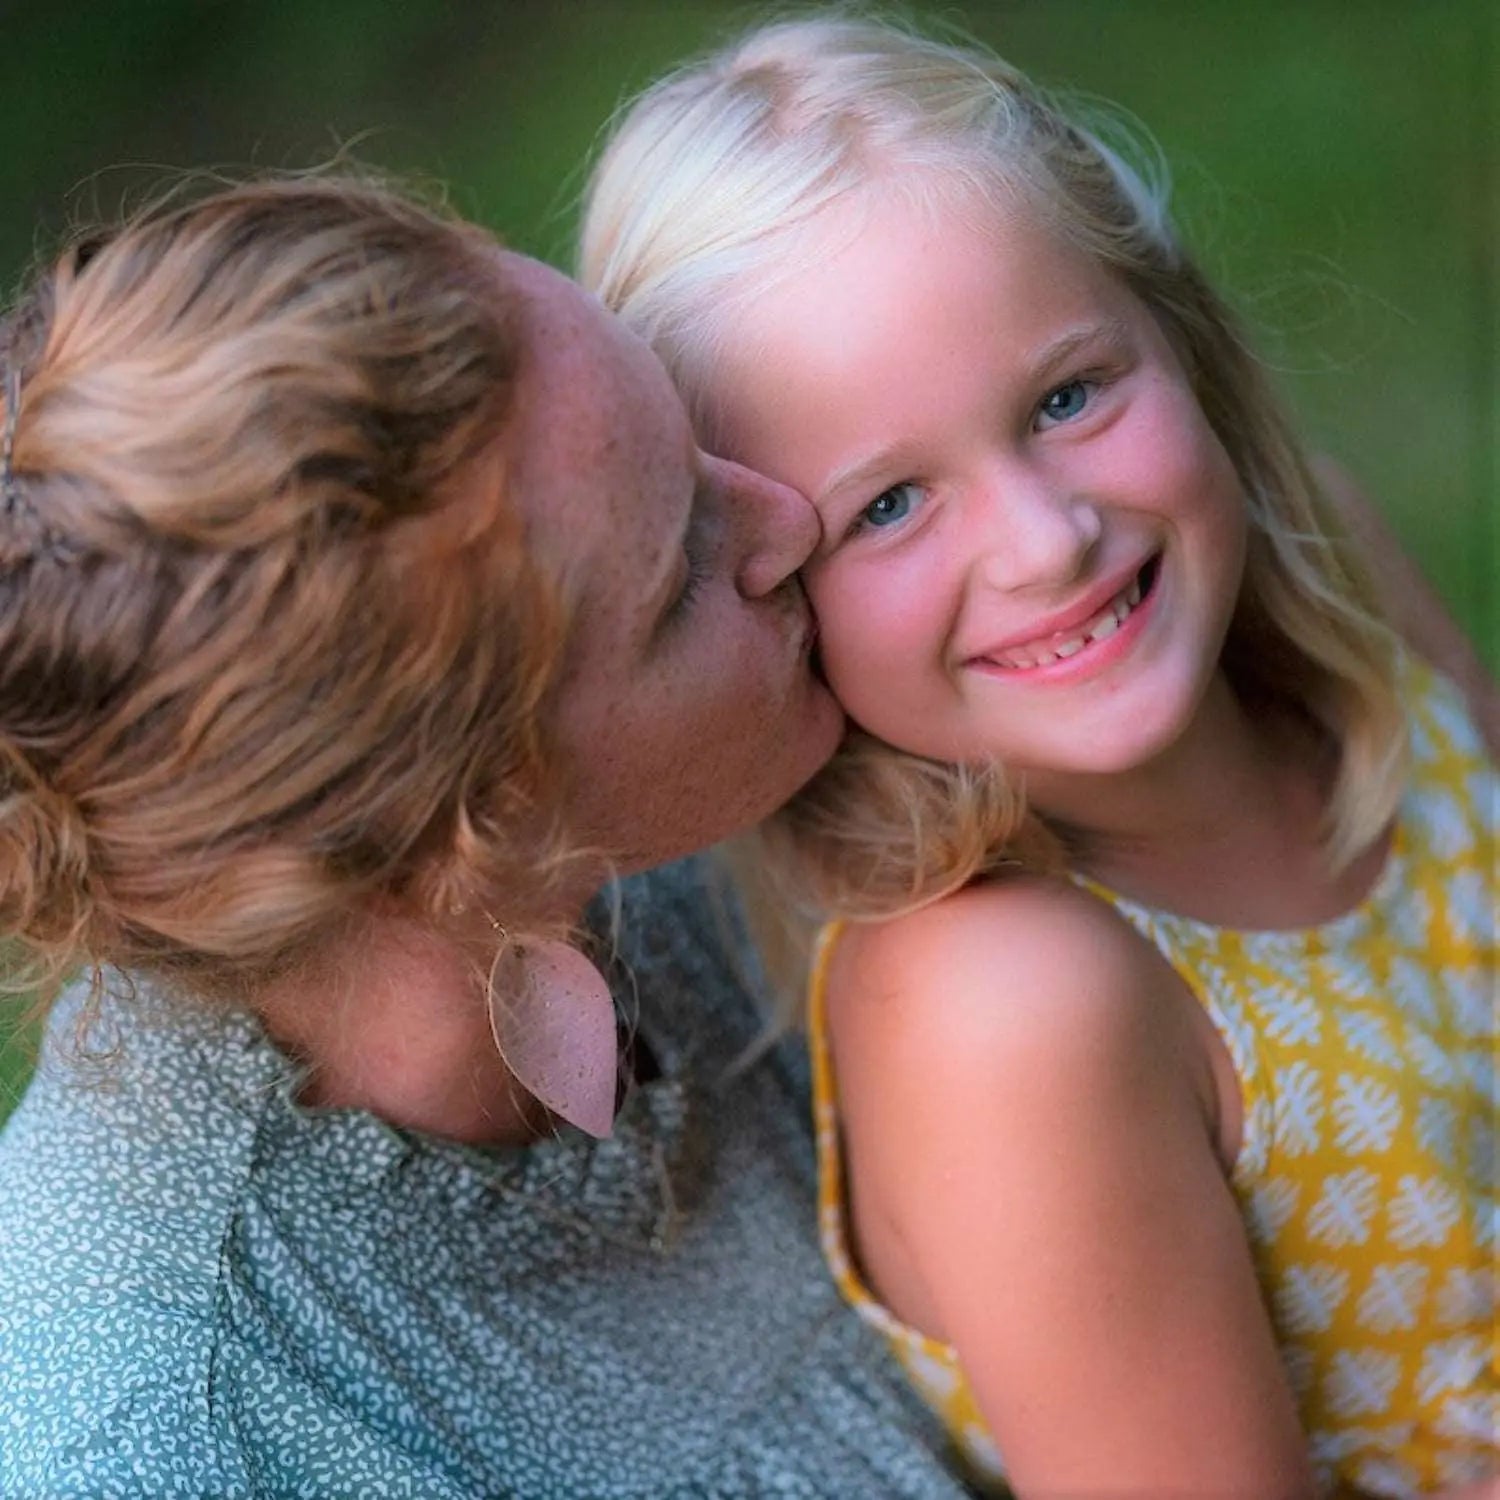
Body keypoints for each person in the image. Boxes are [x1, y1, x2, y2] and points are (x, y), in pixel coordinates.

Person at [579, 16, 1497, 1499]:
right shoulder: (1008, 1005)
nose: (1045, 539)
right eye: (886, 507)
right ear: (764, 583)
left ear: (1176, 332)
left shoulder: (1331, 581)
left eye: (1069, 398)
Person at [0, 174, 980, 1498]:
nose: (787, 520)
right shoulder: (172, 1434)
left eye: (682, 433)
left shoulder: (690, 819)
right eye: (682, 565)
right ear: (466, 832)